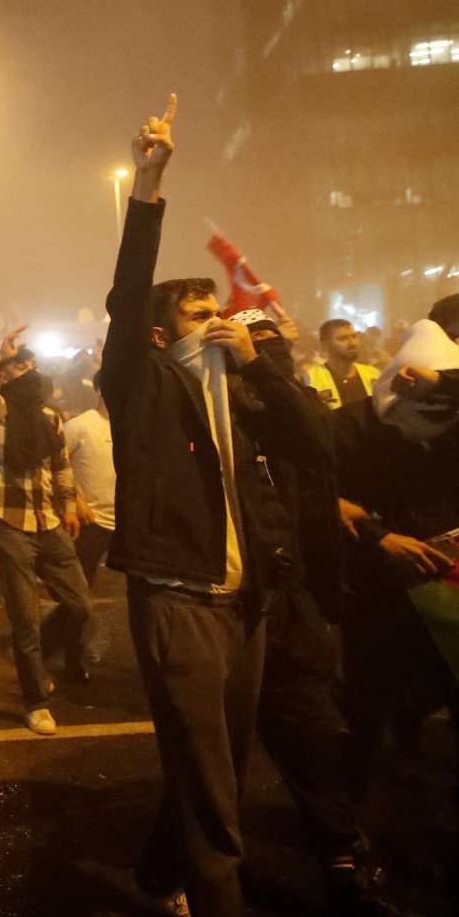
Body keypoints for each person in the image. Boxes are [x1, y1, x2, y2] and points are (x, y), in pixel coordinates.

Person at [99, 95, 329, 917]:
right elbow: (128, 301)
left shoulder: (250, 387)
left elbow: (318, 443)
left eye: (220, 313)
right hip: (178, 598)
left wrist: (267, 362)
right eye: (201, 317)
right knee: (211, 785)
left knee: (221, 758)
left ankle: (159, 875)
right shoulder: (143, 383)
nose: (219, 324)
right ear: (166, 336)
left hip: (249, 602)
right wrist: (147, 187)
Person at [228, 309, 401, 915]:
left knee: (312, 736)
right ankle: (180, 869)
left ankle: (342, 857)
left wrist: (258, 364)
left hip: (294, 609)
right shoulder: (212, 412)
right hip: (227, 613)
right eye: (254, 349)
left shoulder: (294, 410)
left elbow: (313, 435)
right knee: (214, 756)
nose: (267, 360)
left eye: (275, 350)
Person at [334, 318, 459, 813]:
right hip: (378, 588)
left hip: (448, 587)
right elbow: (306, 491)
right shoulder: (348, 427)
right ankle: (345, 822)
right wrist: (379, 537)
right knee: (365, 703)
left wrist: (443, 385)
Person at [0, 327, 91, 735]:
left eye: (27, 363)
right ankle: (35, 701)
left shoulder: (49, 417)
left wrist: (68, 505)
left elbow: (60, 464)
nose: (23, 370)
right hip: (10, 528)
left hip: (48, 524)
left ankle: (32, 658)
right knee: (25, 620)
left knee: (80, 606)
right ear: (4, 377)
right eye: (13, 367)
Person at [61, 382, 115, 681]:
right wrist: (75, 500)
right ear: (99, 389)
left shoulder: (133, 423)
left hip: (127, 524)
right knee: (79, 597)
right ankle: (72, 659)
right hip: (90, 525)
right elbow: (57, 464)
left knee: (143, 596)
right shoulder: (79, 426)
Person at [305, 320, 380, 409]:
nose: (352, 343)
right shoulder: (311, 379)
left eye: (354, 336)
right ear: (325, 345)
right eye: (343, 338)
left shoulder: (373, 374)